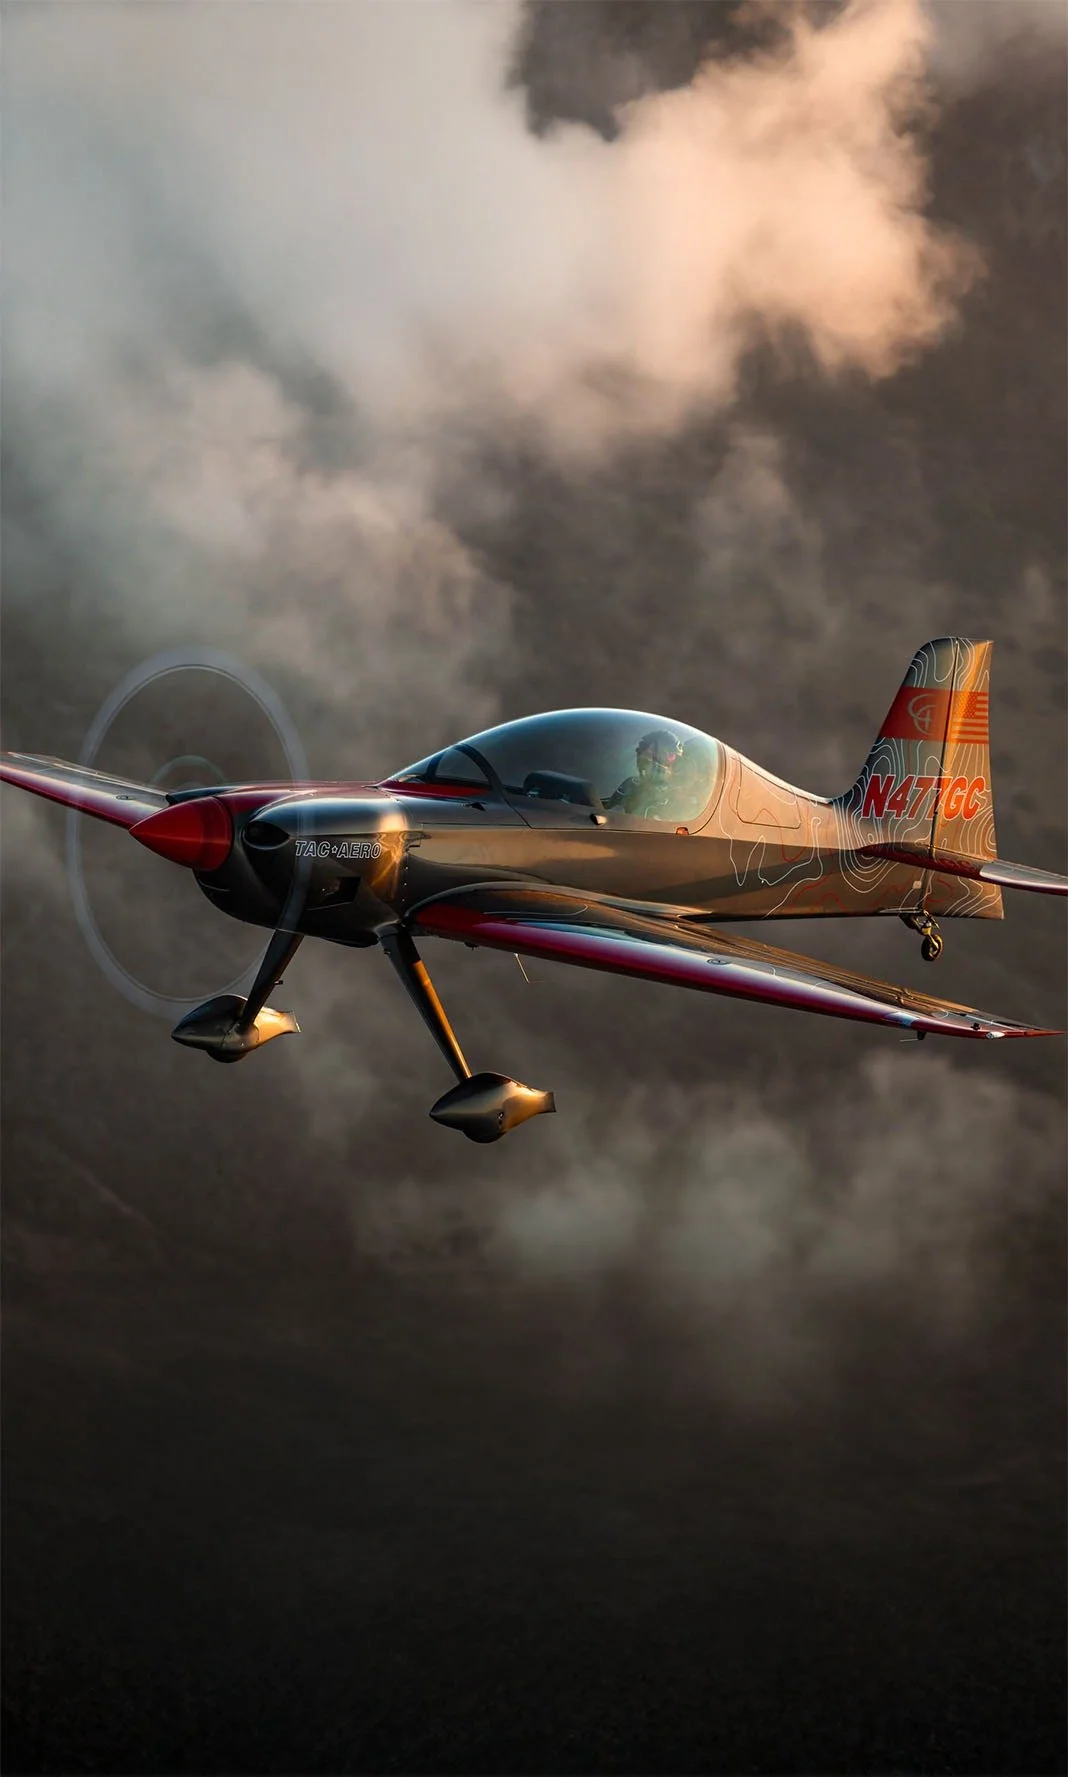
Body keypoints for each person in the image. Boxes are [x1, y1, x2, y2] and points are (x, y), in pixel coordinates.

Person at [603, 729, 684, 818]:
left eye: (672, 757)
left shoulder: (676, 798)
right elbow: (604, 816)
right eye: (646, 758)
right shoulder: (630, 784)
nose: (647, 761)